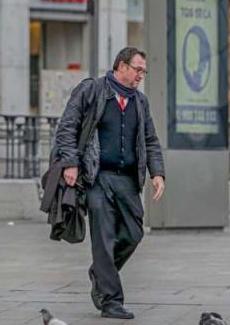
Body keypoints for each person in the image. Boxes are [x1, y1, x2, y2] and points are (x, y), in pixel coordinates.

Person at [54, 47, 165, 319]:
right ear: (121, 66)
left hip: (127, 178)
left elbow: (150, 139)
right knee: (103, 238)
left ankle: (100, 274)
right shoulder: (92, 90)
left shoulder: (139, 101)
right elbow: (67, 126)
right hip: (97, 175)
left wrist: (157, 172)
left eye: (144, 71)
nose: (141, 75)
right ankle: (111, 300)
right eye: (137, 69)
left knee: (134, 232)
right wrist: (70, 162)